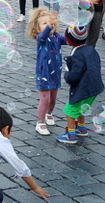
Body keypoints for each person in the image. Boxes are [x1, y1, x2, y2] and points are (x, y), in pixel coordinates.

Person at [55, 26, 105, 143]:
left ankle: (70, 135)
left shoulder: (77, 55)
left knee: (70, 110)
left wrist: (67, 75)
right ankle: (81, 128)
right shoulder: (90, 49)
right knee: (82, 107)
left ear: (69, 40)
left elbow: (75, 75)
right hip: (94, 87)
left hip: (84, 87)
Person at [26, 8, 66, 136]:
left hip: (55, 73)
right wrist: (49, 26)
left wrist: (75, 28)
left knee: (53, 99)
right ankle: (40, 122)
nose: (49, 25)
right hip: (44, 74)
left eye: (51, 23)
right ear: (37, 29)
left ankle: (49, 114)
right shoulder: (41, 38)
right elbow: (43, 35)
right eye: (45, 23)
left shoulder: (57, 37)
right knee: (45, 99)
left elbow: (70, 39)